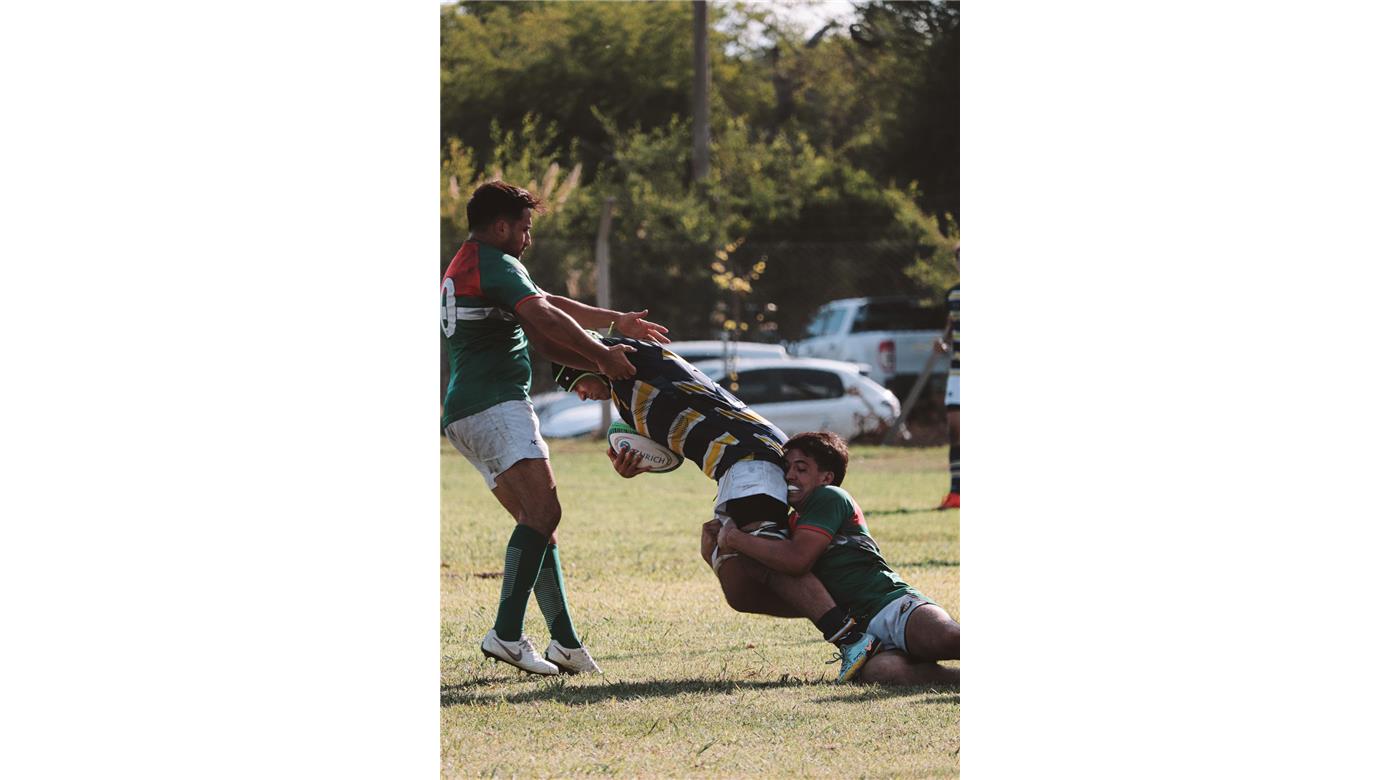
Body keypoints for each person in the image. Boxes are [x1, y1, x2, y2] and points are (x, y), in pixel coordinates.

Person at [547, 337, 878, 680]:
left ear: (591, 363)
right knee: (734, 578)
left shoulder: (632, 363)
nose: (580, 395)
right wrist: (636, 465)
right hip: (735, 469)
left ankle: (850, 635)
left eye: (574, 381)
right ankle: (847, 611)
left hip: (750, 458)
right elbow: (671, 449)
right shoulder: (627, 403)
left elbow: (557, 324)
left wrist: (610, 330)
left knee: (769, 559)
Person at [440, 180, 669, 676]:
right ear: (500, 227)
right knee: (544, 513)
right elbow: (543, 316)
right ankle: (505, 634)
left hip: (467, 411)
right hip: (495, 406)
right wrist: (602, 356)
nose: (528, 239)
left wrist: (615, 323)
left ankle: (565, 644)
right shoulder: (495, 263)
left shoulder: (472, 263)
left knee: (539, 525)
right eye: (524, 229)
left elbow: (546, 308)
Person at [716, 431, 960, 685]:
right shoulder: (790, 523)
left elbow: (797, 560)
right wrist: (721, 542)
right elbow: (752, 593)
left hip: (890, 605)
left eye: (801, 468)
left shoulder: (829, 496)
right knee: (881, 673)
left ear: (826, 477)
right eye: (786, 468)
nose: (789, 476)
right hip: (865, 630)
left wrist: (734, 538)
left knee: (949, 638)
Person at [935, 245, 960, 510]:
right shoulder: (954, 294)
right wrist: (942, 344)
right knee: (955, 430)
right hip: (957, 373)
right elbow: (951, 328)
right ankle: (957, 492)